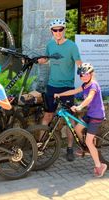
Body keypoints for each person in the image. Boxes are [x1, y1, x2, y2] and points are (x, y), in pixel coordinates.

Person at [38, 18, 82, 161]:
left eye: (60, 29)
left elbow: (79, 64)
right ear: (52, 31)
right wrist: (39, 60)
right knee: (47, 116)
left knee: (69, 119)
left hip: (66, 87)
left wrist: (87, 79)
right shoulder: (50, 45)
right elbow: (46, 59)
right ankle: (39, 146)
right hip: (52, 86)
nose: (57, 32)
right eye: (55, 30)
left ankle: (69, 148)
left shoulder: (72, 46)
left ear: (64, 30)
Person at [54, 63, 107, 177]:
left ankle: (100, 165)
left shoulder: (93, 85)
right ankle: (87, 148)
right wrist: (60, 94)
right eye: (81, 75)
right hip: (90, 114)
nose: (83, 76)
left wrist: (79, 107)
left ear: (91, 74)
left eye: (86, 74)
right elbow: (73, 91)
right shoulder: (84, 85)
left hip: (96, 116)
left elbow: (89, 98)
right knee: (77, 128)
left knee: (88, 140)